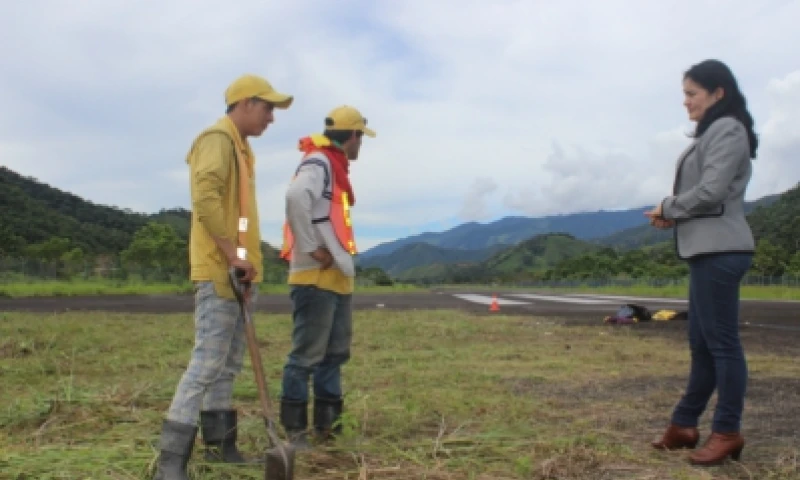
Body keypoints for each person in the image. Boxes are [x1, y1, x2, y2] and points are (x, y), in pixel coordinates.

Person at [153, 74, 293, 480]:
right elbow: (205, 198)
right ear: (245, 103)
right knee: (207, 362)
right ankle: (170, 463)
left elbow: (242, 216)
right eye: (268, 108)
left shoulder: (242, 150)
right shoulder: (216, 139)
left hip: (239, 271)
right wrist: (232, 254)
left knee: (228, 364)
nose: (271, 117)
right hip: (220, 270)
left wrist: (246, 259)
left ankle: (220, 446)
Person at [646, 59, 758, 466]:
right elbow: (708, 195)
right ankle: (684, 425)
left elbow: (710, 192)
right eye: (685, 94)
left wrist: (669, 206)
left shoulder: (728, 129)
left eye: (692, 94)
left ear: (717, 93)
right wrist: (671, 213)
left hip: (721, 250)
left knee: (722, 345)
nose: (686, 102)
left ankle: (727, 431)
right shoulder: (713, 133)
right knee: (703, 345)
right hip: (705, 249)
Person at [277, 105, 375, 448]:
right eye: (361, 137)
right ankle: (296, 434)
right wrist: (310, 246)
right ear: (353, 136)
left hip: (335, 280)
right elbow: (294, 196)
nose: (362, 144)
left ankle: (328, 430)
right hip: (315, 280)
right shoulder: (318, 162)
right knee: (305, 358)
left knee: (334, 356)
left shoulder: (334, 168)